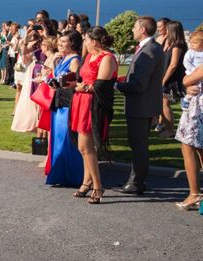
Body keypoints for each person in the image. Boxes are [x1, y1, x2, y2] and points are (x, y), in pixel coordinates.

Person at [114, 16, 164, 195]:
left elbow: (139, 85)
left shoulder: (149, 50)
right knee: (138, 144)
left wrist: (116, 85)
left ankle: (136, 182)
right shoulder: (152, 48)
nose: (132, 30)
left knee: (138, 145)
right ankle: (136, 179)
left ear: (143, 30)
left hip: (141, 106)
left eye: (135, 27)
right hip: (143, 105)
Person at [70, 26, 118, 204]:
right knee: (84, 147)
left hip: (94, 105)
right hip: (81, 102)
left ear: (95, 41)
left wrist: (85, 88)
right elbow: (81, 76)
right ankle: (87, 181)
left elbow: (102, 86)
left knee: (86, 147)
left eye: (87, 40)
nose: (85, 43)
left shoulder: (107, 58)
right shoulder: (89, 56)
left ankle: (98, 186)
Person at [45, 32, 83, 186]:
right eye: (59, 42)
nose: (59, 44)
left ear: (72, 43)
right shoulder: (63, 58)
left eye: (63, 42)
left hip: (68, 104)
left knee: (66, 140)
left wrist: (58, 83)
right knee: (58, 139)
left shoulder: (74, 60)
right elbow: (56, 77)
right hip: (59, 102)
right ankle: (59, 173)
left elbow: (75, 84)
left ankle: (72, 175)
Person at [174, 63, 203, 210]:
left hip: (199, 109)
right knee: (192, 146)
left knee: (190, 146)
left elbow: (186, 80)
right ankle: (195, 193)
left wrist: (188, 81)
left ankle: (195, 194)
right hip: (196, 105)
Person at [159, 21, 187, 138]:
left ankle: (170, 130)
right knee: (162, 103)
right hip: (166, 76)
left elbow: (173, 64)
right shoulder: (169, 42)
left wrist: (164, 80)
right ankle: (165, 126)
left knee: (165, 104)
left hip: (172, 78)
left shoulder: (178, 45)